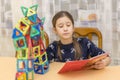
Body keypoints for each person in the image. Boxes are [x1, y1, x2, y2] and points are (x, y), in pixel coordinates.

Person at [46, 11, 111, 70]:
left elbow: (107, 57)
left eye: (68, 25)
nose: (65, 29)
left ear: (73, 28)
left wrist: (104, 62)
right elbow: (42, 65)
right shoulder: (52, 47)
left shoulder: (85, 42)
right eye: (61, 26)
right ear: (55, 30)